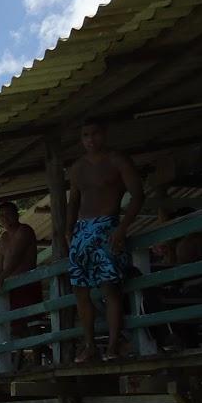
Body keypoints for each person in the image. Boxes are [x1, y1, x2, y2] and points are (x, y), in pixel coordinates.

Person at [67, 119, 144, 362]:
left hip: (107, 226)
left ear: (105, 133)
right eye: (85, 134)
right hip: (81, 231)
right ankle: (90, 345)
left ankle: (113, 344)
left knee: (110, 288)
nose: (91, 139)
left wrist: (121, 229)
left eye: (95, 133)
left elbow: (138, 195)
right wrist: (69, 232)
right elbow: (73, 202)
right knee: (80, 290)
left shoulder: (117, 160)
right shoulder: (77, 167)